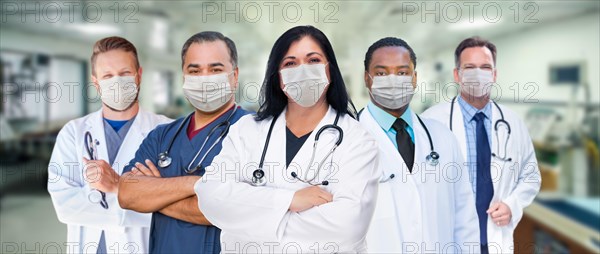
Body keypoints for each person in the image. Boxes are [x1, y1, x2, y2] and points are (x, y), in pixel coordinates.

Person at [194, 25, 380, 253]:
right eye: (290, 63)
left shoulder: (357, 139)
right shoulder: (247, 130)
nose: (303, 70)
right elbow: (210, 196)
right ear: (279, 78)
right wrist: (289, 200)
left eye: (313, 60)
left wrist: (244, 224)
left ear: (329, 71)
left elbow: (347, 227)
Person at [117, 31, 250, 254]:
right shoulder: (162, 135)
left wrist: (155, 193)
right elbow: (126, 194)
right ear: (184, 77)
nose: (204, 78)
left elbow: (232, 208)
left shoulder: (254, 131)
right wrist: (197, 184)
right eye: (194, 70)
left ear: (234, 76)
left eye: (215, 69)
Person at [47, 36, 172, 254]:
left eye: (124, 74)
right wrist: (142, 198)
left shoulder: (168, 132)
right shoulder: (73, 133)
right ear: (96, 83)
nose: (117, 82)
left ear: (139, 75)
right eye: (108, 76)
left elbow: (174, 207)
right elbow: (65, 206)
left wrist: (108, 192)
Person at [359, 37, 480, 253]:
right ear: (367, 79)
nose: (393, 79)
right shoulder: (344, 142)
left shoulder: (443, 138)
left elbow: (465, 218)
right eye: (381, 73)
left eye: (403, 72)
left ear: (415, 79)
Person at [422, 36, 541, 254]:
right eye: (470, 67)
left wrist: (512, 205)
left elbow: (531, 176)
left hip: (496, 238)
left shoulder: (513, 122)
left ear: (494, 74)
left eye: (485, 67)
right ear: (457, 75)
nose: (478, 74)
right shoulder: (431, 121)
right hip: (448, 237)